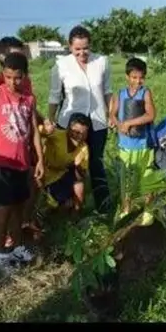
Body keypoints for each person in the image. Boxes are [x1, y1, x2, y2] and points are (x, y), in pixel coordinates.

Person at [0, 53, 45, 267]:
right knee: (4, 208)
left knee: (18, 207)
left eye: (17, 77)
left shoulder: (29, 99)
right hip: (2, 162)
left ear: (25, 76)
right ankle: (1, 253)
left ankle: (17, 248)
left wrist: (40, 160)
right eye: (7, 77)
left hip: (22, 162)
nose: (12, 82)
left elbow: (34, 130)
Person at [48, 26, 111, 213]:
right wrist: (50, 120)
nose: (82, 53)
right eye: (77, 49)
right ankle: (69, 207)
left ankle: (104, 207)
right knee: (69, 165)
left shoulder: (102, 62)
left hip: (98, 122)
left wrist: (112, 114)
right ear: (69, 46)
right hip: (70, 124)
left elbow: (107, 91)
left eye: (85, 48)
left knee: (96, 163)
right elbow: (54, 96)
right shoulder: (61, 66)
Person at [108, 58, 157, 217]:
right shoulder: (120, 93)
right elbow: (113, 114)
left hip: (143, 144)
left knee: (147, 178)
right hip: (125, 145)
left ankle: (148, 212)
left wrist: (129, 123)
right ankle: (126, 211)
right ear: (127, 76)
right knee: (126, 180)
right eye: (134, 77)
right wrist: (118, 124)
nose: (138, 81)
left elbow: (151, 115)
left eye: (141, 77)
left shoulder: (145, 92)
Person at [38, 113, 91, 216]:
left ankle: (74, 219)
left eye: (84, 133)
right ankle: (49, 211)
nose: (80, 136)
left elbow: (82, 175)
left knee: (79, 185)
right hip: (46, 176)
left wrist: (79, 168)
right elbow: (37, 130)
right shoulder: (56, 134)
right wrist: (46, 125)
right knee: (64, 205)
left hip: (63, 175)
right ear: (68, 128)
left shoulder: (84, 147)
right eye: (76, 132)